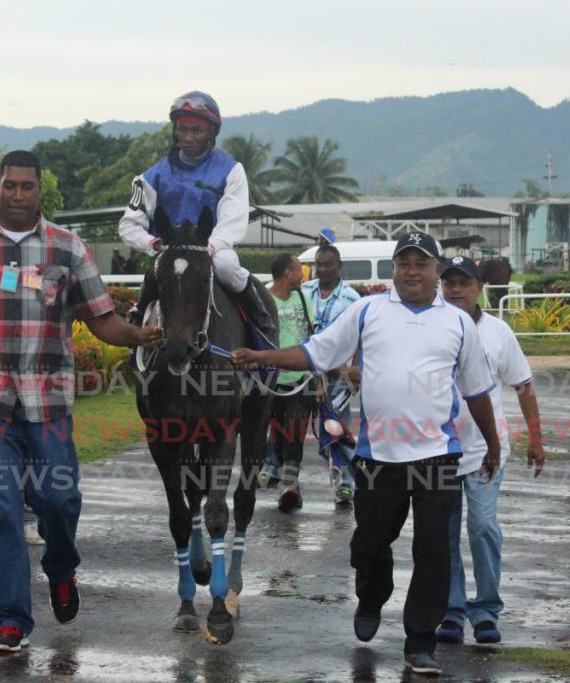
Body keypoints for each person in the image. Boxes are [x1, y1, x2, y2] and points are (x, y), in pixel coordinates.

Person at [0, 150, 162, 653]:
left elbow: (101, 319)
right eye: (10, 185)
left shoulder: (69, 249)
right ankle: (12, 619)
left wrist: (141, 336)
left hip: (48, 401)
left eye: (27, 187)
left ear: (39, 192)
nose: (17, 195)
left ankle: (61, 567)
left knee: (59, 498)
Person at [232, 232, 500, 676]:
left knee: (434, 552)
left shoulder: (457, 324)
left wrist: (491, 443)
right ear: (394, 268)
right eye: (404, 263)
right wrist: (260, 356)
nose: (412, 271)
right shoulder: (368, 311)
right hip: (379, 457)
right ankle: (372, 597)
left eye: (421, 263)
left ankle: (419, 642)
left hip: (438, 457)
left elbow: (476, 392)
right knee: (369, 545)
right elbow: (314, 353)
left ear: (436, 271)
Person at [434, 255, 546, 646]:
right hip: (441, 451)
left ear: (479, 287)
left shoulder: (498, 332)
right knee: (444, 534)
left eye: (464, 282)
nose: (456, 289)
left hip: (486, 451)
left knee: (482, 528)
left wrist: (536, 438)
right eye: (449, 283)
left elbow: (523, 386)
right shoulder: (431, 329)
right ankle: (451, 611)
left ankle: (485, 611)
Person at [117, 90, 276, 342]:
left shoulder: (232, 170)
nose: (188, 137)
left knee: (227, 267)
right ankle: (138, 325)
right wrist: (152, 243)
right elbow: (129, 224)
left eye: (196, 131)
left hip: (213, 249)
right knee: (155, 274)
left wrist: (207, 248)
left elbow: (232, 223)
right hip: (170, 250)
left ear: (211, 133)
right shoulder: (150, 176)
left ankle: (262, 324)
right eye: (182, 129)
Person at [302, 243, 361, 504]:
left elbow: (362, 339)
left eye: (328, 264)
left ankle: (346, 482)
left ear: (340, 266)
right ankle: (282, 475)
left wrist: (353, 373)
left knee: (337, 429)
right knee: (289, 425)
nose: (323, 269)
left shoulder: (352, 299)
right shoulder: (303, 292)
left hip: (337, 376)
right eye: (319, 264)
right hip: (303, 372)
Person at [259, 254, 316, 511]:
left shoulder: (303, 298)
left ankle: (289, 485)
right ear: (287, 273)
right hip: (270, 381)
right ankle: (285, 478)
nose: (302, 274)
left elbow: (314, 335)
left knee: (295, 431)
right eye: (298, 269)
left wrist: (320, 375)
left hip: (301, 379)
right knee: (278, 434)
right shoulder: (263, 299)